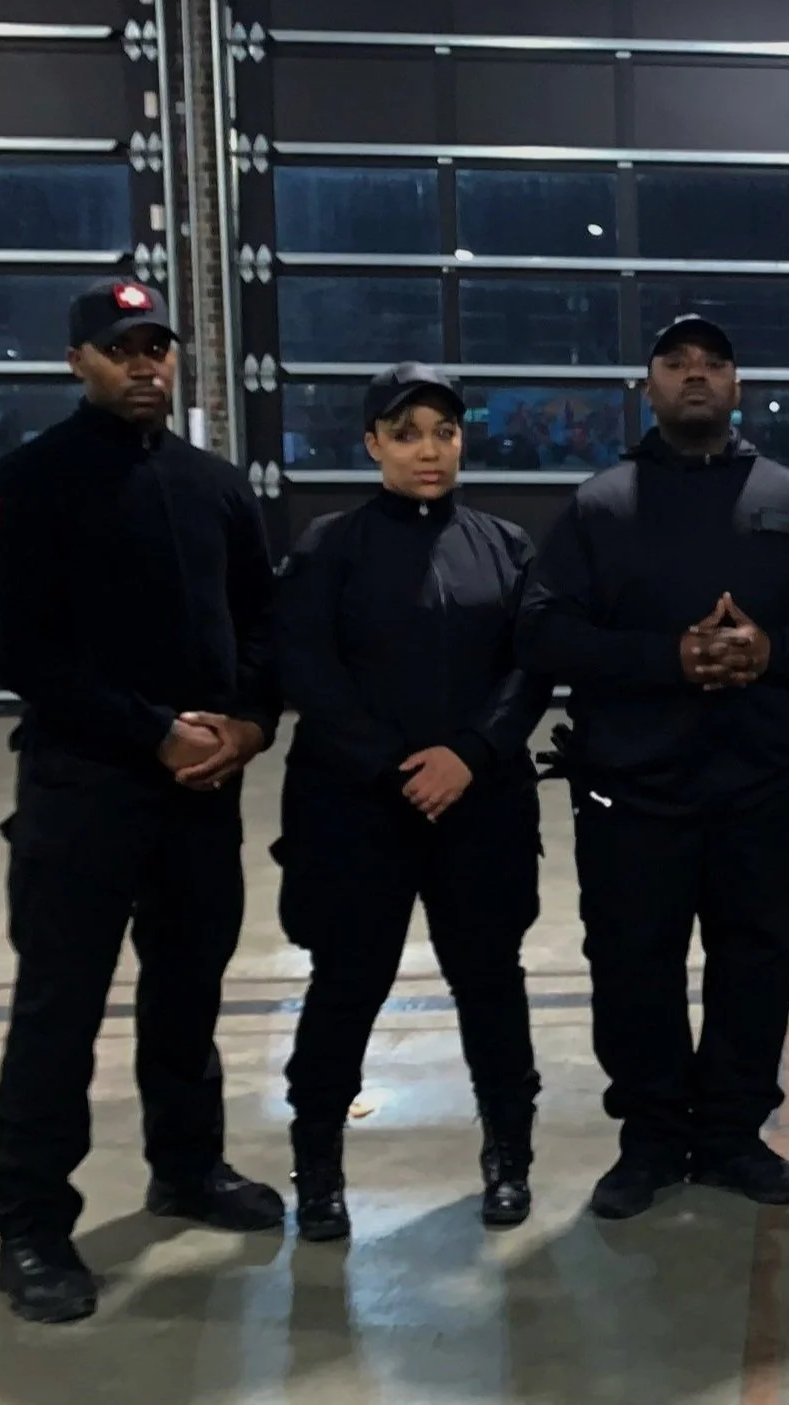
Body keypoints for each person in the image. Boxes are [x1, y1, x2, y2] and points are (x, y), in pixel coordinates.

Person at [0, 279, 283, 1324]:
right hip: (86, 789)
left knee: (188, 995)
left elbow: (259, 623)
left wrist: (246, 724)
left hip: (200, 791)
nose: (144, 365)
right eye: (120, 351)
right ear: (79, 364)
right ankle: (31, 1226)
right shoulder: (34, 481)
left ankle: (186, 1167)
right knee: (60, 1010)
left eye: (157, 348)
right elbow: (17, 650)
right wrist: (151, 728)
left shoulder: (214, 485)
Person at [517, 315, 789, 1221]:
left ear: (739, 386)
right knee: (633, 962)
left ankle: (731, 1135)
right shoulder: (601, 507)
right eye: (676, 364)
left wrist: (770, 650)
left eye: (714, 362)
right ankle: (648, 1139)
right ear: (649, 387)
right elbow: (545, 633)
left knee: (755, 959)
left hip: (765, 782)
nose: (696, 376)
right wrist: (666, 658)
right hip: (633, 789)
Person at [271, 363, 550, 1242]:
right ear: (372, 445)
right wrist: (396, 767)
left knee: (490, 984)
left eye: (444, 431)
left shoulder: (506, 545)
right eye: (406, 433)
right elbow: (306, 667)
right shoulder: (329, 546)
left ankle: (509, 1153)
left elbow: (531, 663)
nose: (428, 450)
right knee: (347, 984)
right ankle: (318, 1165)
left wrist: (470, 753)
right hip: (358, 809)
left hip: (481, 803)